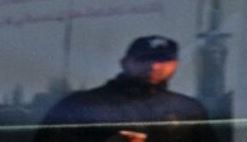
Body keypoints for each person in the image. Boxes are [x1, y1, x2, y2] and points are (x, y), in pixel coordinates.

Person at [35, 35, 214, 142]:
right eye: (144, 59)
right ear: (124, 62)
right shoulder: (79, 105)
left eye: (162, 60)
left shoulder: (188, 109)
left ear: (175, 64)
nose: (154, 67)